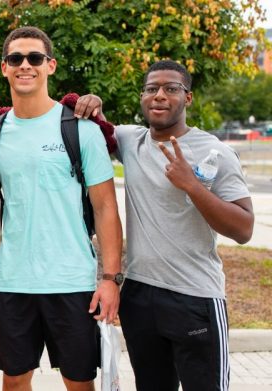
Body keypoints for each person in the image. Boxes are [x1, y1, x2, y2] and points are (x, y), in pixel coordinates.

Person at [0, 26, 123, 391]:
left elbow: (106, 207)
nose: (25, 65)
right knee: (14, 381)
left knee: (79, 383)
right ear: (4, 68)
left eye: (35, 58)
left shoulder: (80, 129)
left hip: (71, 281)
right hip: (12, 281)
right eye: (15, 58)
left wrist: (110, 279)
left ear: (50, 65)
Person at [114, 60, 254, 391]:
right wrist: (90, 101)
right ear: (142, 97)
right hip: (139, 294)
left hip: (194, 297)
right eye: (151, 89)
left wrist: (192, 185)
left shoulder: (215, 152)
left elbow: (244, 229)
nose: (159, 95)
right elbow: (94, 125)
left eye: (171, 88)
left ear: (188, 97)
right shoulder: (130, 140)